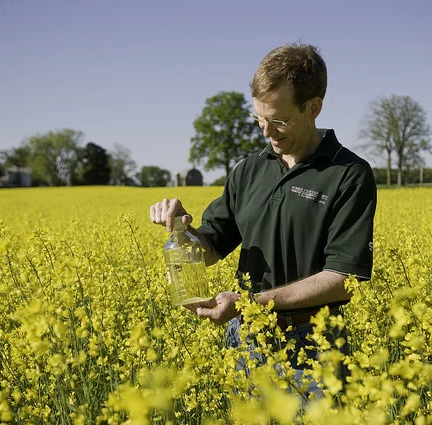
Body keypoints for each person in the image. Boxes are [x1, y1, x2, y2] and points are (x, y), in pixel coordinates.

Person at [150, 43, 376, 396]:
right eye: (259, 119)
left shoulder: (348, 174)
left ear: (314, 107)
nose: (266, 132)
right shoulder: (249, 170)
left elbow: (343, 279)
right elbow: (209, 247)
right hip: (245, 343)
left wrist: (250, 304)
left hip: (314, 349)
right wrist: (180, 229)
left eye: (279, 121)